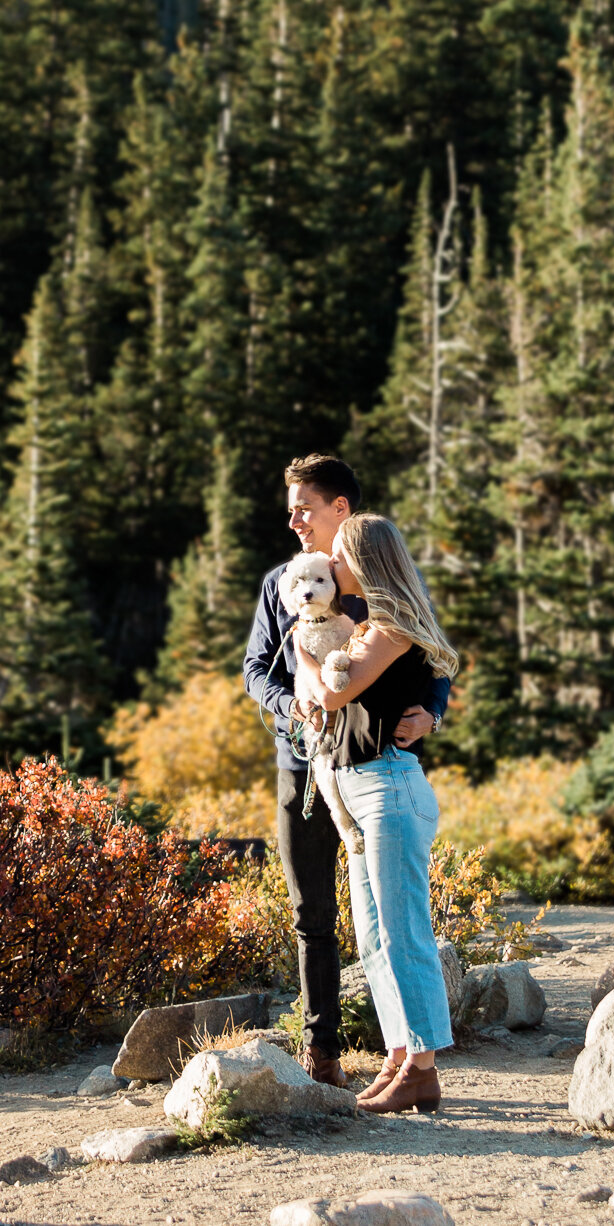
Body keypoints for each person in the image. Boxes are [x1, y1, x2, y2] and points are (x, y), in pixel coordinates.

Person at [242, 455, 449, 1089]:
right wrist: (293, 706)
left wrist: (431, 716)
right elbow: (259, 672)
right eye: (291, 509)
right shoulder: (285, 583)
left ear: (344, 516)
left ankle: (418, 1064)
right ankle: (368, 1055)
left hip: (378, 773)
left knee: (396, 927)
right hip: (317, 766)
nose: (294, 521)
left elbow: (410, 673)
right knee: (350, 924)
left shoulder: (384, 611)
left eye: (305, 507)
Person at [301, 512, 460, 1115]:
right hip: (362, 790)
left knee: (403, 933)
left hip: (389, 789)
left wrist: (301, 656)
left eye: (339, 557)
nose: (332, 566)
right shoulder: (368, 626)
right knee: (372, 937)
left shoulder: (388, 627)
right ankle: (401, 1054)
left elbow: (332, 692)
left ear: (363, 561)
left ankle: (423, 1069)